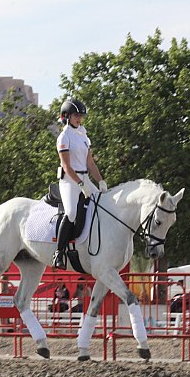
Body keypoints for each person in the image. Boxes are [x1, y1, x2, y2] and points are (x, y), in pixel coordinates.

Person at [52, 98, 108, 269]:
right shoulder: (64, 137)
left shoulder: (83, 136)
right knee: (70, 213)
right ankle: (59, 253)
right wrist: (80, 184)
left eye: (81, 116)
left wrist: (100, 181)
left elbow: (90, 164)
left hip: (85, 179)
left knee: (103, 204)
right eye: (76, 115)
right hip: (69, 181)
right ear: (67, 116)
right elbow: (67, 166)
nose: (79, 119)